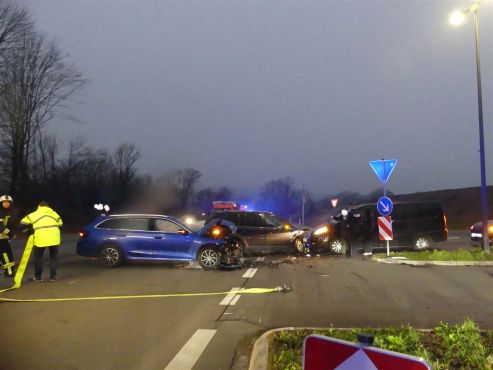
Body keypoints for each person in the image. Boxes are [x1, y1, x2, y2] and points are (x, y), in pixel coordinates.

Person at [20, 201, 62, 282]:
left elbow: (21, 224)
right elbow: (60, 225)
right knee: (53, 257)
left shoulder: (34, 214)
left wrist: (28, 232)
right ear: (48, 206)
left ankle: (38, 277)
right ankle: (53, 277)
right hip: (54, 238)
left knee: (38, 257)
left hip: (40, 238)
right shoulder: (54, 213)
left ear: (39, 206)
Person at [0, 195, 16, 277]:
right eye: (4, 202)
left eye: (8, 202)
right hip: (1, 239)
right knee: (6, 255)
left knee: (5, 255)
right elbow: (1, 227)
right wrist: (11, 234)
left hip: (4, 238)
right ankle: (9, 272)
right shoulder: (1, 212)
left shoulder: (7, 213)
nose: (6, 204)